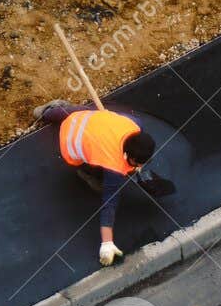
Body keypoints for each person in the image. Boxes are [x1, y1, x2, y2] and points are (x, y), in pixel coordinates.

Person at [32, 100, 174, 266]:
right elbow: (109, 205)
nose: (141, 166)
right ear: (127, 156)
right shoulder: (112, 166)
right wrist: (107, 243)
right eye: (138, 163)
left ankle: (50, 112)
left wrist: (133, 165)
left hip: (84, 118)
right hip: (70, 143)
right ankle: (86, 173)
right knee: (98, 181)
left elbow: (110, 121)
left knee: (88, 117)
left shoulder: (134, 124)